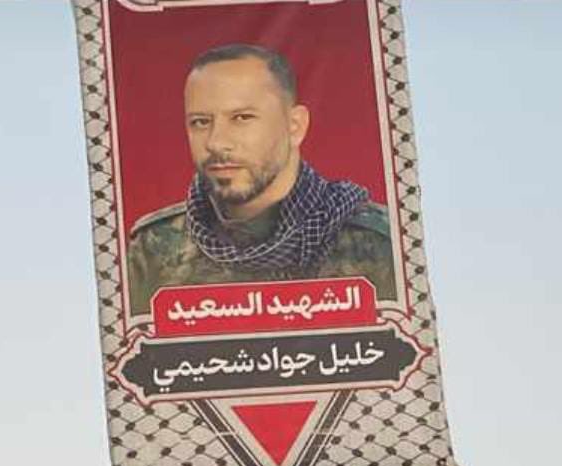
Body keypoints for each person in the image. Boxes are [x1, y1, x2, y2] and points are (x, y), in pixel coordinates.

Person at [127, 45, 396, 314]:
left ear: (295, 126)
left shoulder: (382, 243)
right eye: (200, 122)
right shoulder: (152, 249)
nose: (216, 142)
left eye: (242, 118)